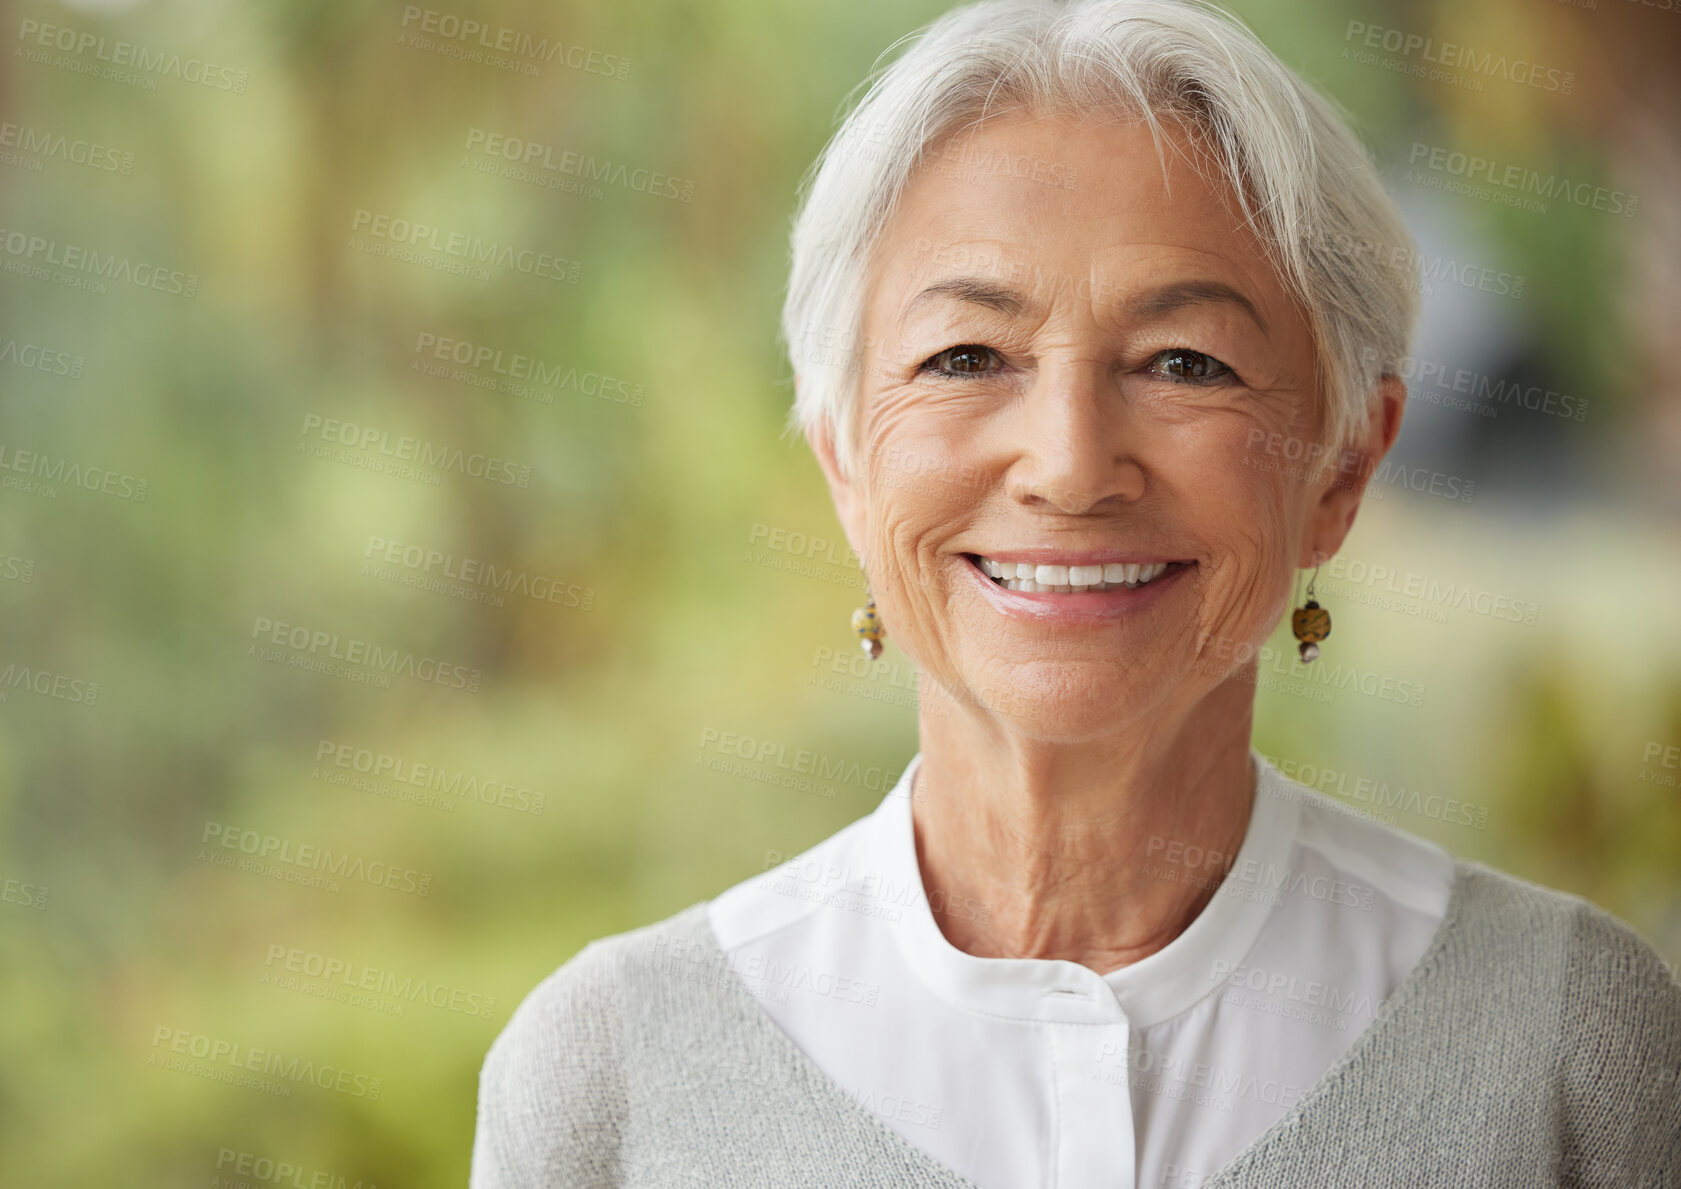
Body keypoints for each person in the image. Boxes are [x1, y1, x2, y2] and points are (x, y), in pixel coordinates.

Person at [469, 1, 1681, 1185]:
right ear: (843, 455)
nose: (1067, 463)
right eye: (966, 357)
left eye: (1183, 363)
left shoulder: (1571, 1045)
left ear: (1344, 462)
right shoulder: (609, 1076)